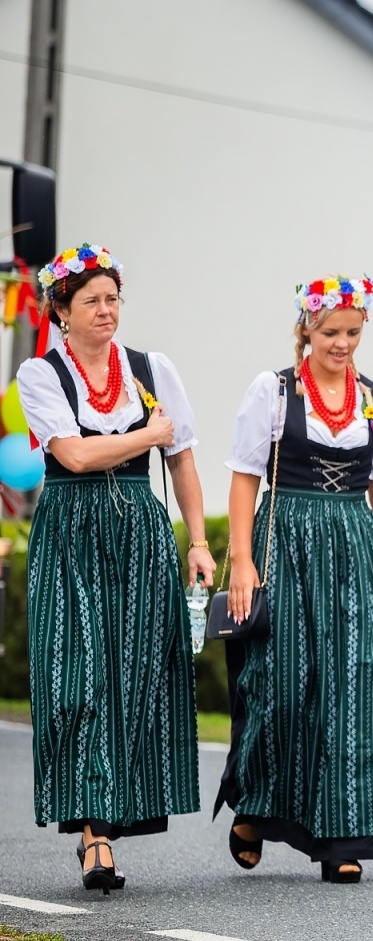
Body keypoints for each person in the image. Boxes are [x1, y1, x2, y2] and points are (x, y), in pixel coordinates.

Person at [20, 243, 215, 894]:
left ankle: (110, 817)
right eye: (91, 302)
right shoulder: (40, 374)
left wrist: (197, 542)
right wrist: (146, 436)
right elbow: (73, 456)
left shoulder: (151, 368)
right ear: (62, 312)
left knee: (133, 674)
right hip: (71, 532)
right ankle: (91, 830)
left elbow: (183, 456)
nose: (106, 311)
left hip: (140, 526)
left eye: (113, 299)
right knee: (80, 677)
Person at [220, 274, 373, 884]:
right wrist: (243, 558)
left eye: (353, 333)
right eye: (331, 332)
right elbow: (246, 477)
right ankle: (254, 806)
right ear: (307, 327)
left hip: (355, 546)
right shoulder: (273, 392)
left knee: (355, 688)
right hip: (286, 539)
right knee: (279, 688)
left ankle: (341, 836)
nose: (343, 343)